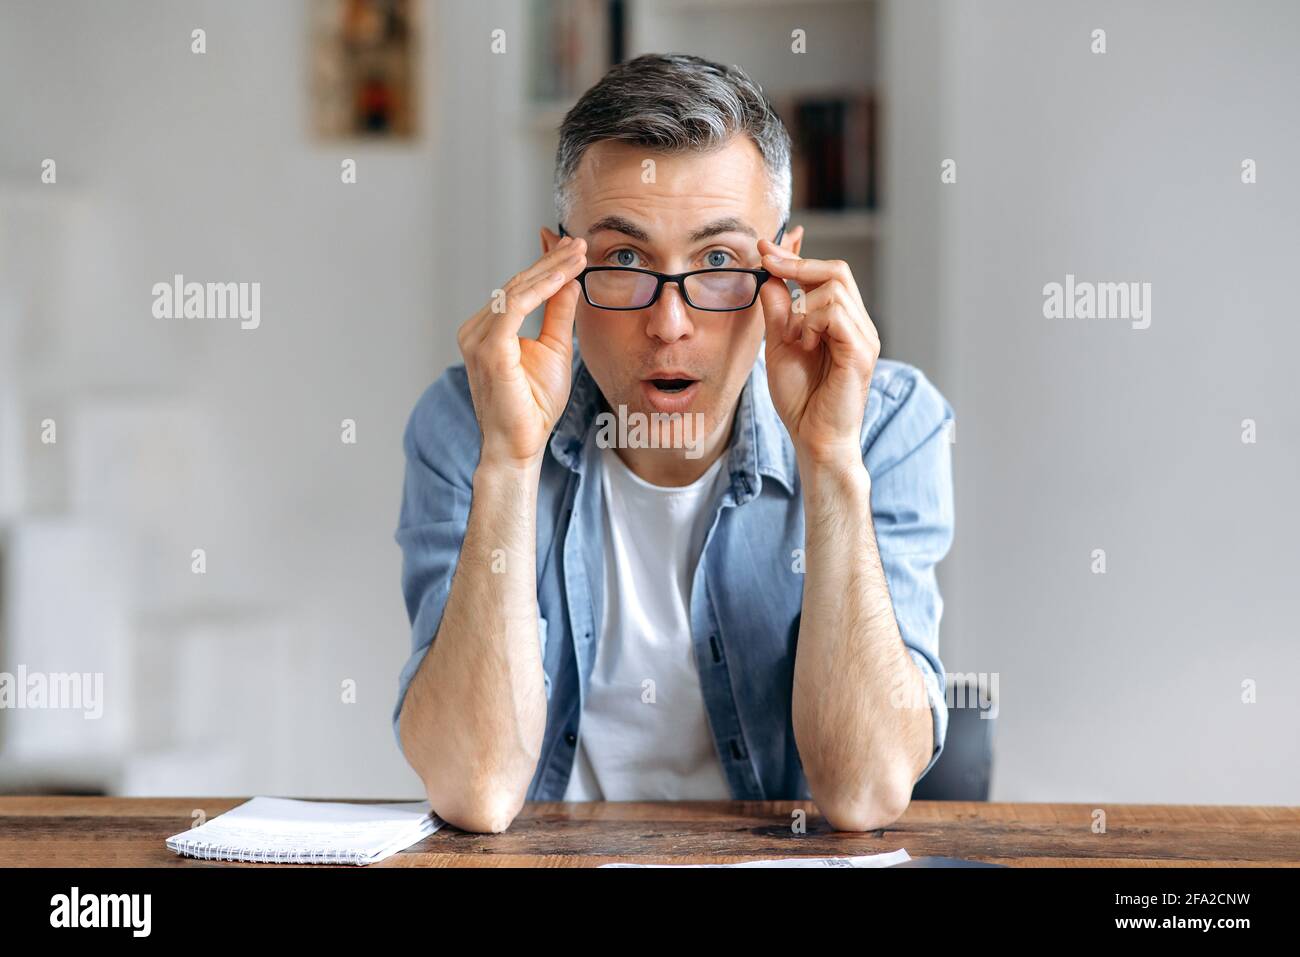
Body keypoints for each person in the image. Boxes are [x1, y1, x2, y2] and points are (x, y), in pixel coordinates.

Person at [392, 53, 954, 833]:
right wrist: (510, 464)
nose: (669, 322)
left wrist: (830, 463)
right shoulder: (467, 422)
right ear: (560, 266)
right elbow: (474, 788)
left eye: (719, 261)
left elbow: (864, 792)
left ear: (782, 265)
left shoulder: (888, 422)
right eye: (623, 260)